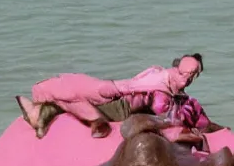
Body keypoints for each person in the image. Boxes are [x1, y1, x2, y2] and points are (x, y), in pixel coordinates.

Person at [15, 53, 221, 139]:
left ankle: (44, 111)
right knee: (62, 89)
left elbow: (200, 121)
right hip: (113, 95)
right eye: (187, 72)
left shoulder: (180, 97)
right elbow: (157, 104)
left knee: (69, 94)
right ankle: (43, 110)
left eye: (194, 74)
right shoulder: (160, 79)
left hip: (117, 98)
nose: (189, 77)